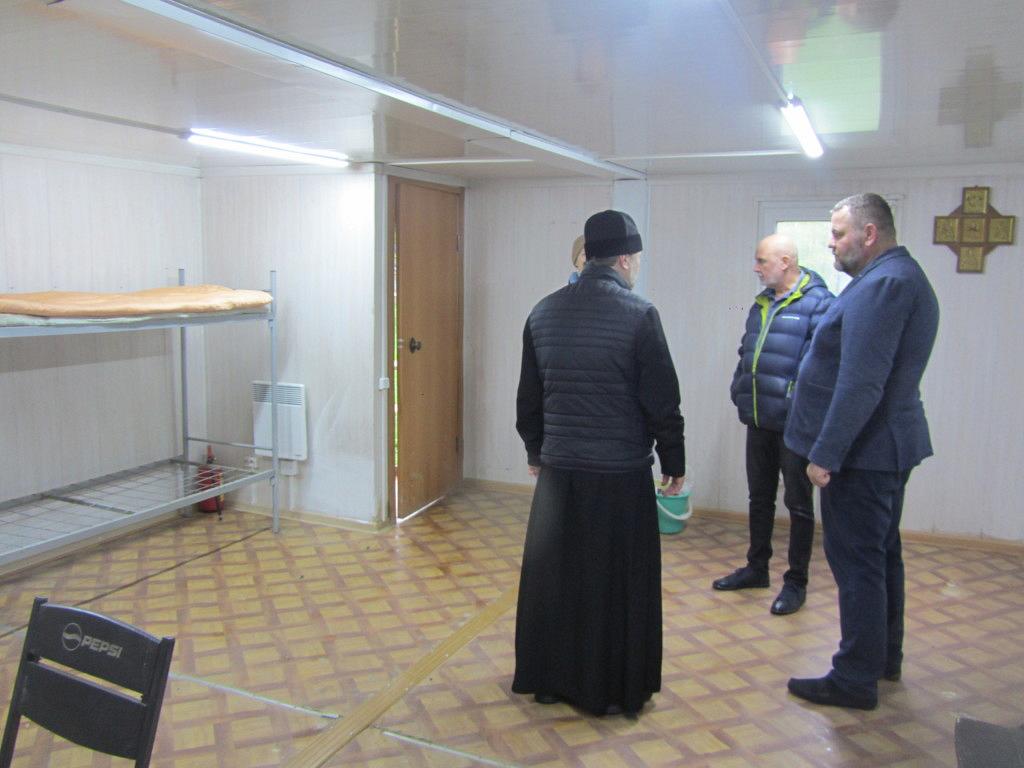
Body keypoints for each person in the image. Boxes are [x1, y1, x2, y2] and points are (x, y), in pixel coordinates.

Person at [514, 209, 685, 717]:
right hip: (620, 476)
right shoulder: (639, 314)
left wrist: (537, 450)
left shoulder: (543, 312)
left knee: (559, 580)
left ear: (588, 254)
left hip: (560, 475)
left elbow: (528, 399)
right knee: (617, 583)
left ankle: (551, 681)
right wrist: (673, 459)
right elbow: (662, 401)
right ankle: (614, 688)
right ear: (625, 259)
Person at [784, 193, 939, 710]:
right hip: (877, 448)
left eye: (838, 233)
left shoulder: (885, 284)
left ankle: (854, 677)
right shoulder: (890, 278)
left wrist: (825, 454)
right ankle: (881, 658)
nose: (830, 244)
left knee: (858, 565)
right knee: (878, 556)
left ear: (869, 234)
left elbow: (861, 382)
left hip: (863, 453)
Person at [714, 234, 833, 615]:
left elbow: (822, 368)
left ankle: (796, 582)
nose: (756, 267)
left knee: (798, 504)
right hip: (758, 418)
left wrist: (796, 404)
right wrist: (739, 388)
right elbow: (746, 352)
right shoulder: (761, 303)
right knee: (759, 498)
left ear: (785, 262)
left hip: (795, 426)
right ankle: (757, 568)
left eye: (762, 260)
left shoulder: (820, 304)